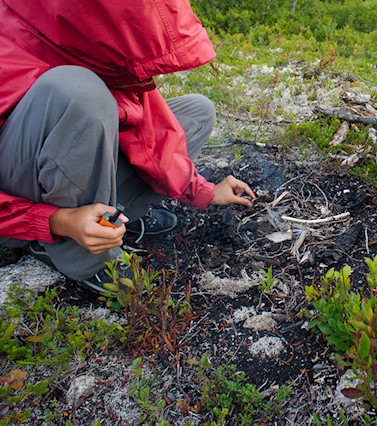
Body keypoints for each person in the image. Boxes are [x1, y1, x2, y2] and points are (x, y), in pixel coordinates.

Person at [0, 0, 255, 294]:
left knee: (197, 112)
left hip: (58, 160)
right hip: (19, 199)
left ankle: (115, 218)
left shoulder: (83, 40)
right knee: (80, 92)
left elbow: (147, 130)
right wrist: (58, 221)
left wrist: (203, 190)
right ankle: (77, 252)